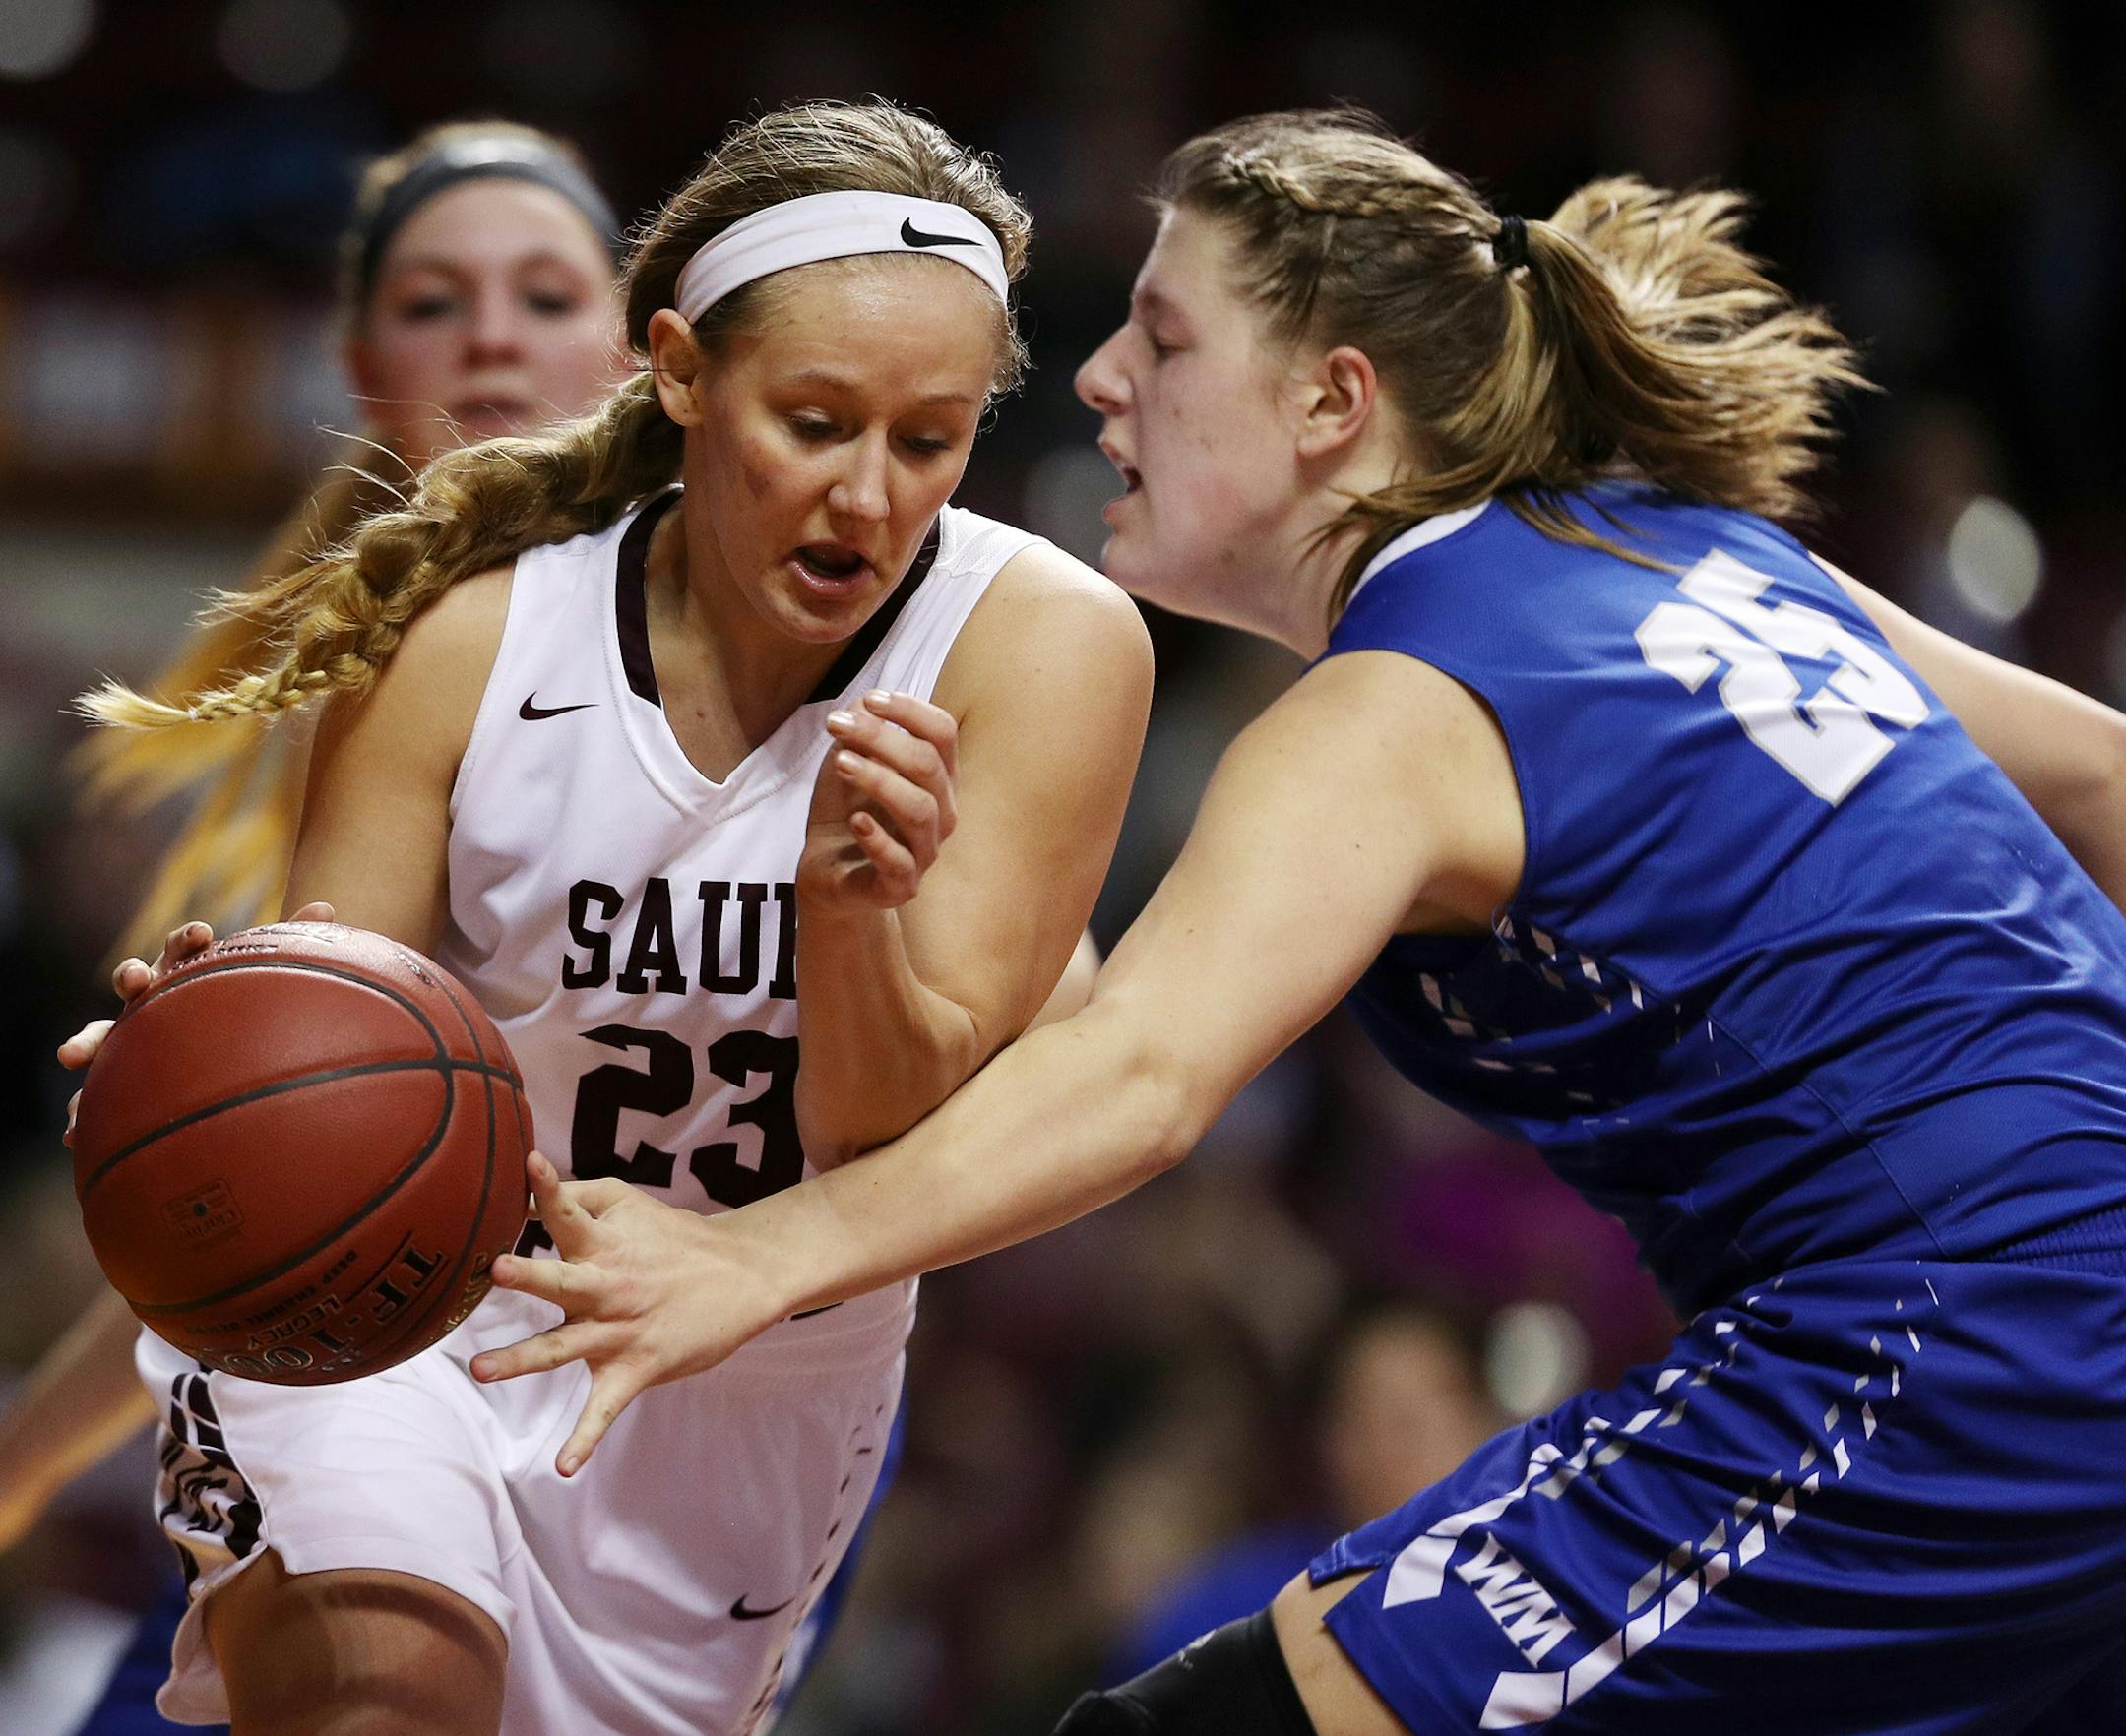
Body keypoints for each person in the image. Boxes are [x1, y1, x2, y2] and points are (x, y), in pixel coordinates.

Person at [475, 107, 2126, 1734]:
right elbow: (2107, 782)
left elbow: (1141, 1080)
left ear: (1336, 403)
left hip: (1968, 1332)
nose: (1102, 378)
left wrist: (750, 1253)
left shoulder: (1403, 698)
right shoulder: (1701, 553)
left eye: (1165, 337)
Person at [60, 97, 1150, 1735]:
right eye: (815, 421)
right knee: (387, 1699)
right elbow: (328, 1026)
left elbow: (886, 1133)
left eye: (926, 442)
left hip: (748, 1375)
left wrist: (851, 912)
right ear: (683, 369)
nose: (868, 495)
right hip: (407, 1305)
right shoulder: (471, 639)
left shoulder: (1046, 644)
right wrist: (222, 1045)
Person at [3, 117, 627, 1736]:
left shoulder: (778, 639)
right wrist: (25, 1453)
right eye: (434, 301)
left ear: (645, 347)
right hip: (369, 1348)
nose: (490, 333)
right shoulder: (356, 674)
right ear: (359, 356)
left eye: (545, 292)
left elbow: (1056, 1014)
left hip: (691, 1378)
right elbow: (284, 1177)